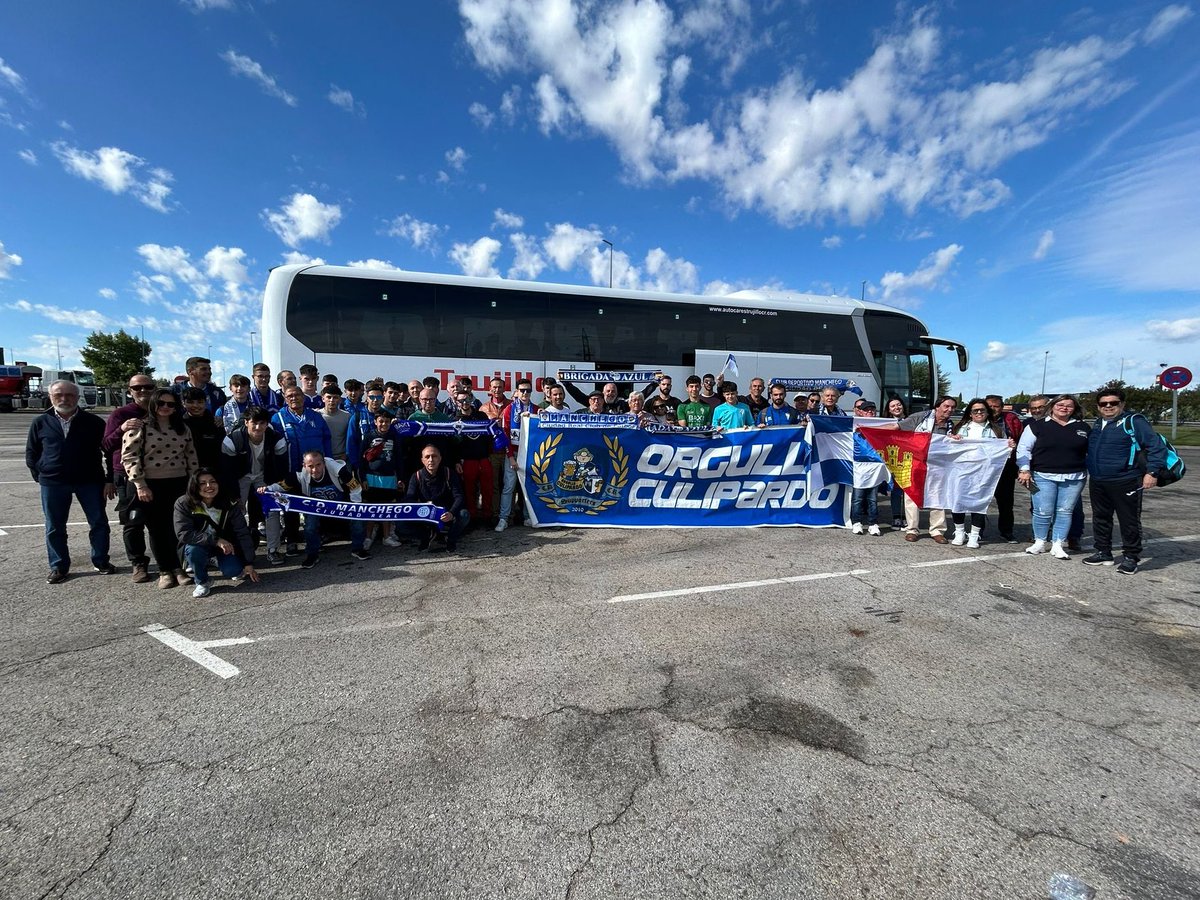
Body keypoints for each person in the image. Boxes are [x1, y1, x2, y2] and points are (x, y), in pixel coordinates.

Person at [26, 380, 115, 584]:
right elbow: (32, 452)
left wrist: (110, 479)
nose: (64, 399)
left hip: (90, 480)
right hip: (53, 483)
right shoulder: (40, 422)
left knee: (99, 522)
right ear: (51, 397)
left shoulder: (93, 422)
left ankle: (101, 560)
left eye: (69, 395)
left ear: (77, 397)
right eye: (59, 395)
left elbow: (109, 452)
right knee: (55, 526)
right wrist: (40, 474)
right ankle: (59, 566)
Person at [1083, 388, 1165, 575]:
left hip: (1126, 479)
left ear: (1122, 404)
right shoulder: (1097, 424)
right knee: (1100, 517)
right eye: (1104, 404)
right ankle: (1103, 551)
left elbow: (1155, 446)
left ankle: (1131, 557)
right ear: (1098, 406)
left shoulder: (1134, 421)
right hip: (1099, 479)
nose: (1109, 406)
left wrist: (1152, 472)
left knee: (1129, 520)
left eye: (1113, 403)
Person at [122, 388, 198, 588]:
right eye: (162, 403)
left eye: (171, 404)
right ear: (154, 404)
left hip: (178, 483)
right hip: (151, 485)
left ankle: (178, 568)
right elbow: (129, 457)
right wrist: (140, 484)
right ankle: (165, 570)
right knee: (156, 530)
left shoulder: (183, 428)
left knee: (176, 528)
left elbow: (191, 457)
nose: (166, 407)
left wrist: (193, 484)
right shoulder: (140, 426)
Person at [265, 449, 369, 569]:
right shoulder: (299, 474)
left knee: (358, 518)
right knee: (310, 525)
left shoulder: (339, 470)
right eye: (311, 466)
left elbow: (355, 487)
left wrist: (353, 506)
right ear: (304, 466)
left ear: (324, 463)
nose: (315, 470)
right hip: (316, 509)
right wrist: (266, 489)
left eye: (318, 465)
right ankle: (312, 555)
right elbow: (281, 486)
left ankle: (357, 549)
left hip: (341, 505)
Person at [1016, 394, 1090, 560]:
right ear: (1052, 407)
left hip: (1074, 477)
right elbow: (1023, 450)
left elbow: (1090, 451)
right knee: (1043, 511)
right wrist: (1024, 469)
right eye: (1060, 405)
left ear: (1074, 408)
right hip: (1043, 475)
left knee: (1065, 511)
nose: (1064, 408)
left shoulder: (1083, 427)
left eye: (1069, 406)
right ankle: (1040, 542)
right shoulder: (1037, 426)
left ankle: (1058, 544)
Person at [102, 373, 157, 582]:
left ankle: (165, 562)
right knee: (134, 521)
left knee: (159, 522)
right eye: (137, 388)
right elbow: (106, 445)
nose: (143, 391)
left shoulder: (161, 411)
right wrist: (121, 429)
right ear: (130, 391)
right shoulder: (121, 414)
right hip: (127, 476)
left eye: (148, 387)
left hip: (157, 474)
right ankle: (138, 563)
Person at [220, 406, 290, 565]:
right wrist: (235, 496)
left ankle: (273, 550)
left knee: (272, 508)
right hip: (240, 477)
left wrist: (275, 488)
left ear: (267, 424)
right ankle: (236, 551)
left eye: (262, 423)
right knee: (235, 511)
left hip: (265, 476)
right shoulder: (232, 440)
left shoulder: (277, 439)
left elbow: (281, 469)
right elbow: (227, 472)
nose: (258, 427)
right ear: (246, 422)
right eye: (254, 423)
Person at [173, 469, 260, 598]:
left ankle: (214, 560)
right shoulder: (184, 503)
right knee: (194, 550)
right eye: (202, 483)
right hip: (200, 545)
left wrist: (248, 562)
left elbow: (242, 532)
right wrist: (216, 540)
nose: (209, 486)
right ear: (194, 486)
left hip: (227, 546)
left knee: (233, 570)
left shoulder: (230, 502)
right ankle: (202, 581)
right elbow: (184, 534)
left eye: (212, 482)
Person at [948, 399, 1013, 549]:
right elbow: (949, 450)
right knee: (957, 501)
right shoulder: (960, 428)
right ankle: (959, 532)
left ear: (987, 412)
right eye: (975, 410)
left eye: (982, 410)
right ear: (970, 413)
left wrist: (1009, 446)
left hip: (984, 474)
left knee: (979, 503)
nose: (979, 413)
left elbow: (1003, 454)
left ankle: (975, 535)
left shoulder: (996, 430)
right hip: (961, 471)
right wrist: (952, 439)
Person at [897, 396, 958, 543]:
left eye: (952, 407)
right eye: (946, 406)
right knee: (912, 495)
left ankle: (937, 530)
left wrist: (957, 439)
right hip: (915, 463)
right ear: (937, 407)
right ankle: (912, 529)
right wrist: (867, 429)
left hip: (938, 466)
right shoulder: (920, 418)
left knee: (938, 496)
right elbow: (897, 428)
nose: (949, 410)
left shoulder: (952, 426)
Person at [406, 444, 470, 552]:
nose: (431, 460)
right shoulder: (416, 476)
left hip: (447, 513)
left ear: (440, 458)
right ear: (422, 460)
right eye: (427, 457)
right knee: (402, 523)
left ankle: (450, 540)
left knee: (464, 515)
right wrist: (424, 507)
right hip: (426, 515)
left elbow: (459, 496)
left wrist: (451, 513)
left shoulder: (449, 473)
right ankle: (425, 538)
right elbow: (408, 499)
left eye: (434, 456)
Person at [358, 407, 403, 550]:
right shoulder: (369, 436)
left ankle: (386, 537)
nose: (384, 424)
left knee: (387, 509)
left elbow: (399, 458)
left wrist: (401, 478)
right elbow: (361, 460)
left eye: (387, 422)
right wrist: (363, 478)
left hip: (389, 478)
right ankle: (368, 537)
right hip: (372, 478)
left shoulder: (394, 437)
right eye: (381, 421)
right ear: (375, 422)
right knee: (371, 509)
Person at [496, 379, 537, 531]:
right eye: (522, 390)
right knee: (509, 487)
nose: (525, 393)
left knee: (529, 487)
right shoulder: (509, 409)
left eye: (528, 390)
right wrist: (511, 457)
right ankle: (503, 518)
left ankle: (528, 517)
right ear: (517, 391)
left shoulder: (536, 409)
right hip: (513, 453)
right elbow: (505, 435)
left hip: (530, 455)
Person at [985, 394, 1023, 543]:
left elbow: (1020, 439)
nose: (993, 409)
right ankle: (977, 531)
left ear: (1002, 407)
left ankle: (1007, 532)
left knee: (1006, 503)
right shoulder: (977, 420)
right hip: (983, 469)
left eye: (997, 406)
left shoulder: (1010, 420)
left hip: (1006, 468)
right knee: (981, 501)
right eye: (990, 406)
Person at [455, 392, 495, 526]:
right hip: (467, 460)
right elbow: (453, 443)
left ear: (471, 399)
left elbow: (489, 435)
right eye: (461, 401)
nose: (464, 403)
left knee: (487, 490)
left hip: (483, 458)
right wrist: (457, 460)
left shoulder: (481, 415)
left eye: (467, 399)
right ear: (456, 402)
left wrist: (489, 453)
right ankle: (472, 518)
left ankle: (488, 516)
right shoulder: (454, 419)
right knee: (469, 491)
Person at [849, 401, 884, 536]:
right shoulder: (853, 426)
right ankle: (857, 522)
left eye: (872, 410)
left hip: (875, 468)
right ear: (861, 412)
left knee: (873, 499)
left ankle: (873, 523)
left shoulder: (881, 426)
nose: (869, 412)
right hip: (860, 467)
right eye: (866, 410)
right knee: (858, 498)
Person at [182, 386, 225, 470]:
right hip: (188, 473)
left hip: (214, 472)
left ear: (206, 402)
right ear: (183, 403)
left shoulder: (216, 423)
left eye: (200, 402)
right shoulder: (179, 425)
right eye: (190, 402)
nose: (195, 405)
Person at [883, 397, 908, 528]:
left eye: (898, 404)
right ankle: (896, 516)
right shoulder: (884, 422)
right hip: (892, 458)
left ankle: (907, 517)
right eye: (892, 406)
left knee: (908, 490)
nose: (896, 407)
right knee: (896, 489)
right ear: (888, 409)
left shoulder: (911, 420)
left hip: (908, 457)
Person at [319, 384, 351, 460]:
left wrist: (346, 454)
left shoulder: (347, 416)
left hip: (341, 458)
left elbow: (350, 438)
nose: (332, 400)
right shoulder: (317, 415)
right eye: (329, 397)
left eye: (335, 397)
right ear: (323, 398)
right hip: (322, 457)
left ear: (340, 399)